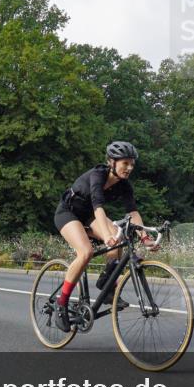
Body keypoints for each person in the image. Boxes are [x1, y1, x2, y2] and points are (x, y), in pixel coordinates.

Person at [52, 141, 157, 332]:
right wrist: (107, 235)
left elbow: (133, 212)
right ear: (112, 162)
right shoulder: (97, 175)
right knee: (86, 252)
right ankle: (62, 303)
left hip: (89, 216)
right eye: (125, 163)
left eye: (132, 164)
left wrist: (144, 237)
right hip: (68, 213)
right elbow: (98, 207)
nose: (129, 168)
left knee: (121, 240)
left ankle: (106, 285)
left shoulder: (124, 185)